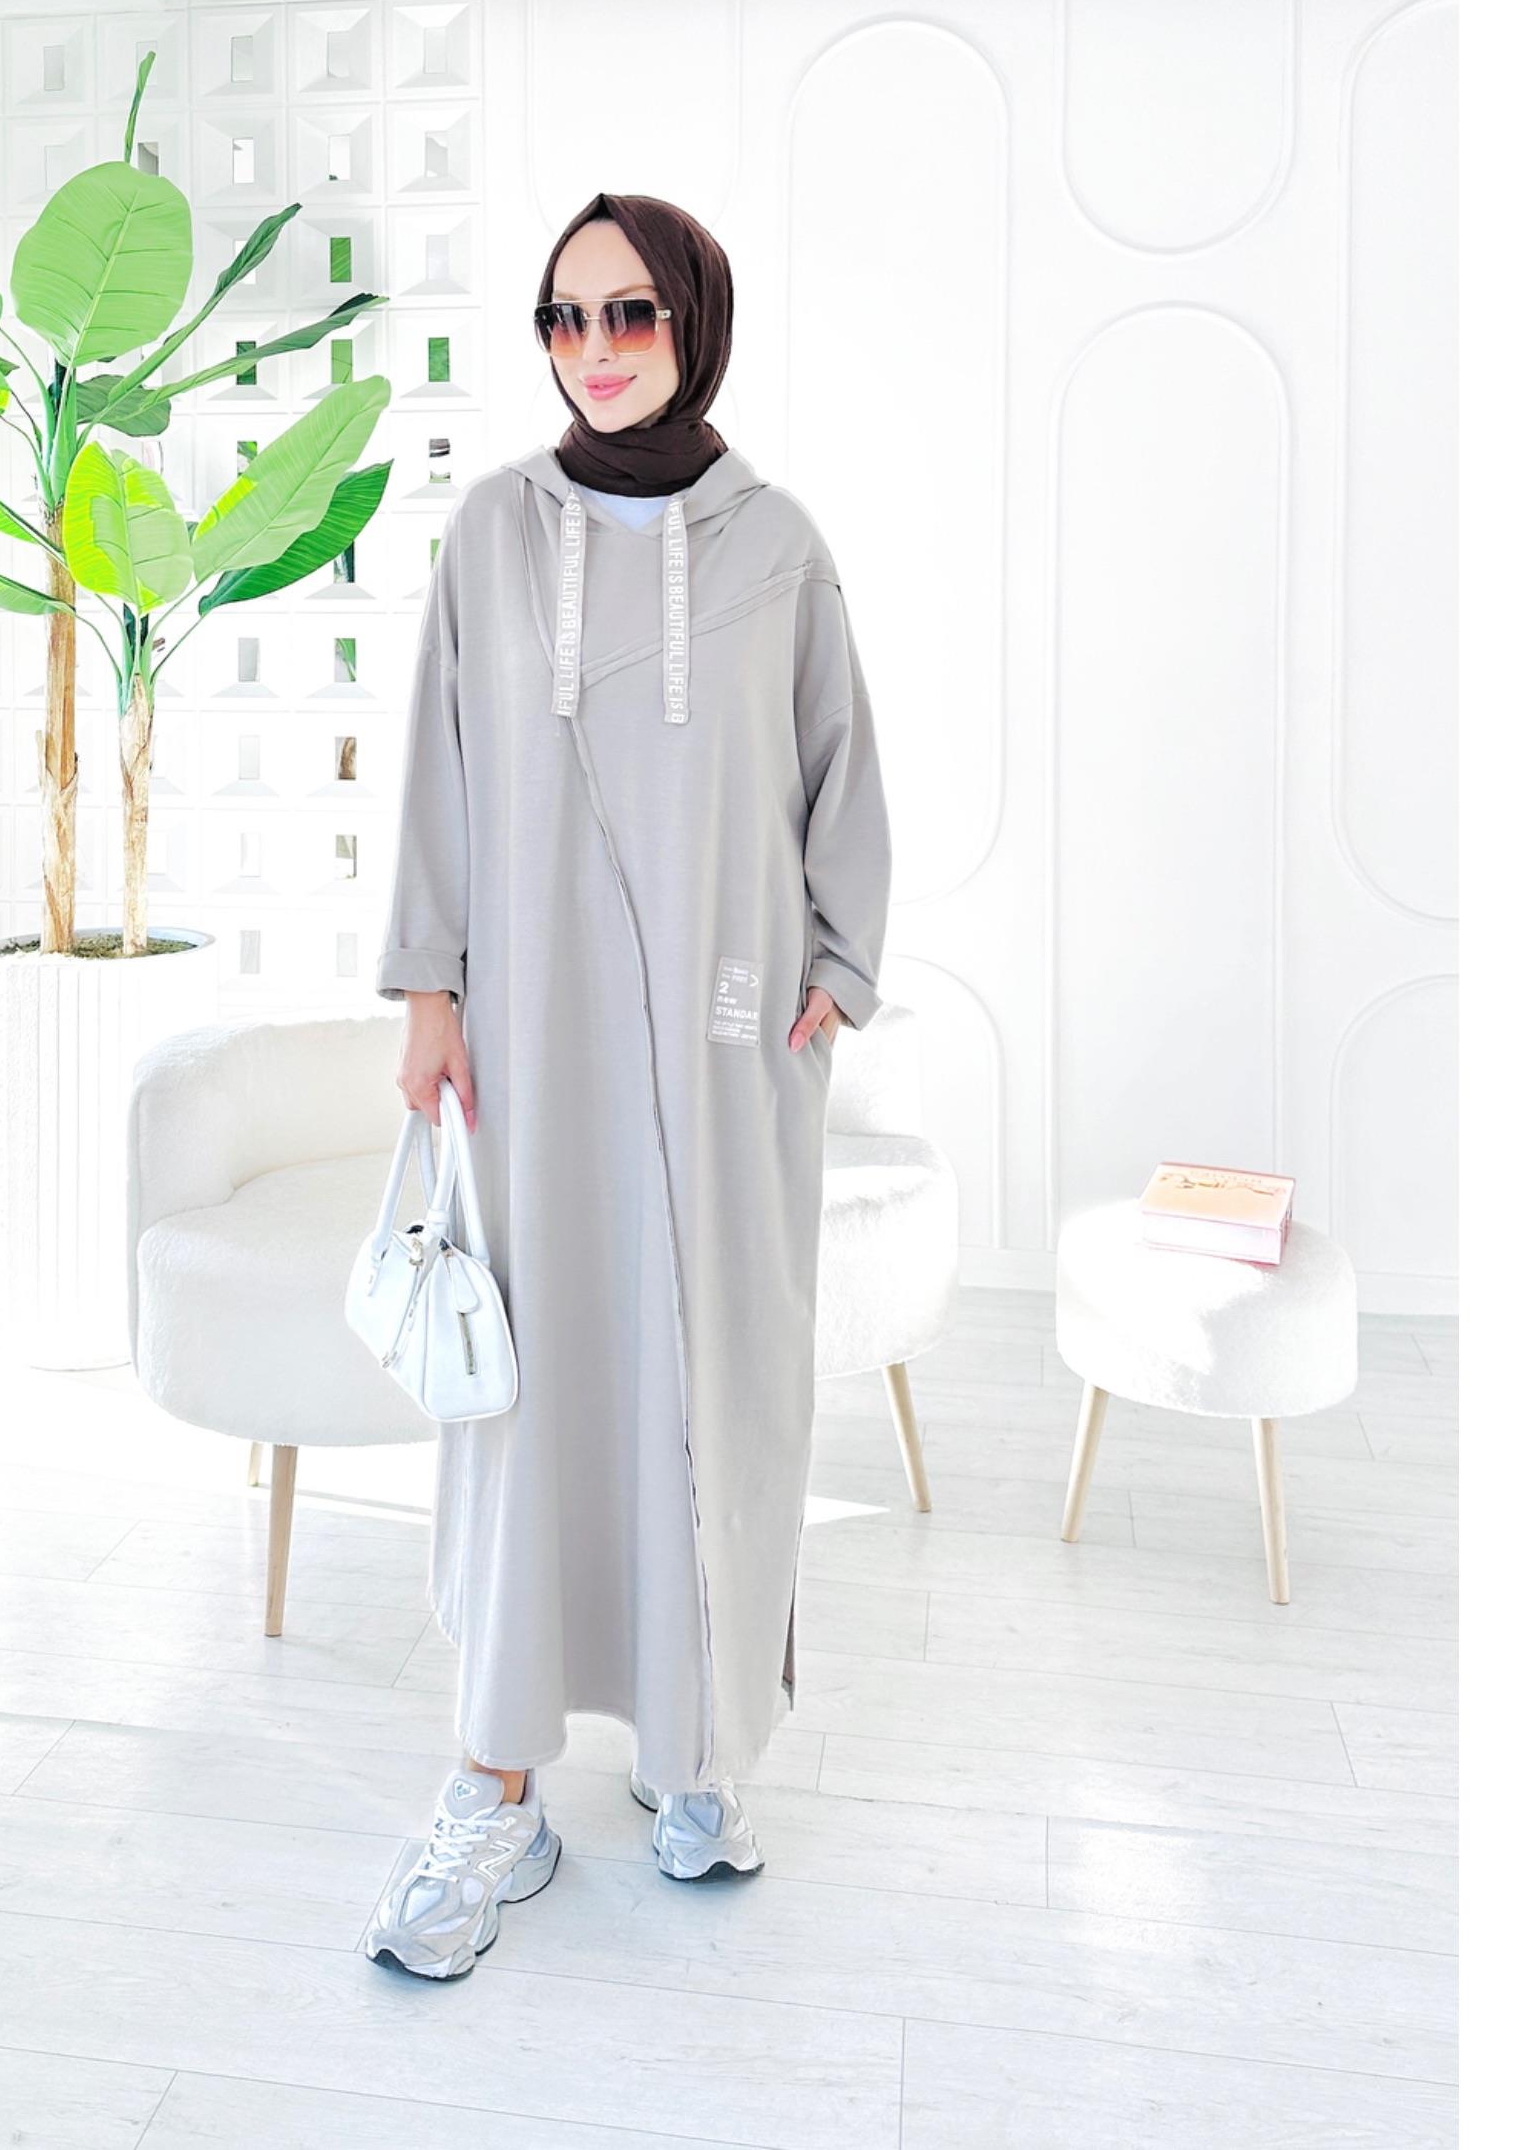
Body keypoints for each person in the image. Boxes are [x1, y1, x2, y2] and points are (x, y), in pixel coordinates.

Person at [361, 191, 892, 1978]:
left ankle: (692, 1746)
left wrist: (838, 971)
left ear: (694, 326)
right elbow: (438, 767)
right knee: (533, 1390)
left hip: (731, 1053)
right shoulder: (495, 534)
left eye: (632, 314)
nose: (595, 351)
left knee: (708, 1380)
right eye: (566, 317)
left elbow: (840, 772)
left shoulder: (778, 546)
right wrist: (428, 989)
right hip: (530, 1040)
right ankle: (494, 1784)